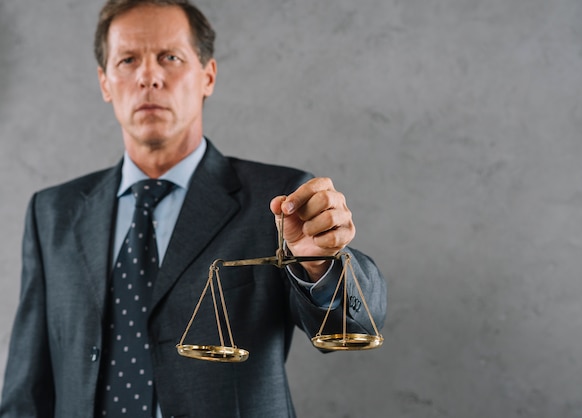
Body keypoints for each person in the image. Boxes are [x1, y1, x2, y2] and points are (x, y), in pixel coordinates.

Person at [0, 0, 387, 417]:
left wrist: (321, 266)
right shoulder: (53, 212)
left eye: (170, 57)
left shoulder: (278, 202)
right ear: (105, 82)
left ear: (208, 75)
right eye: (128, 60)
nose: (149, 77)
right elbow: (27, 388)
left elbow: (354, 327)